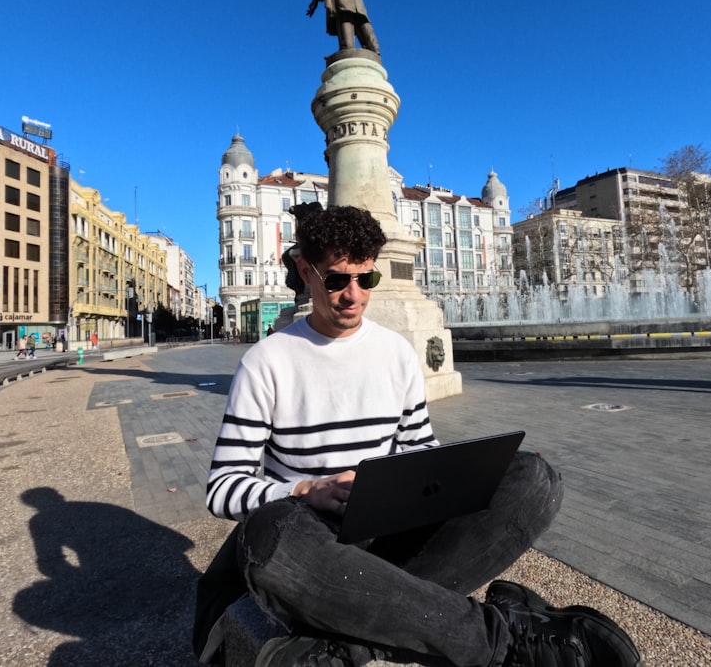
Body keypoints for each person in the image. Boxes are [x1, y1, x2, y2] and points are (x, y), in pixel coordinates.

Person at [194, 206, 640, 667]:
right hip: (313, 537)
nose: (353, 296)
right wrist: (305, 490)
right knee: (268, 537)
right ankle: (501, 641)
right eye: (336, 280)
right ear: (306, 271)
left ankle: (348, 640)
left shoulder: (395, 353)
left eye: (366, 280)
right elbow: (223, 488)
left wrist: (455, 474)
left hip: (388, 529)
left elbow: (419, 448)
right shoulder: (267, 362)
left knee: (534, 478)